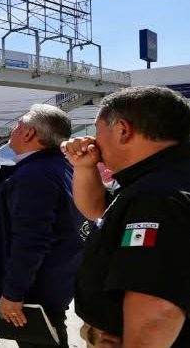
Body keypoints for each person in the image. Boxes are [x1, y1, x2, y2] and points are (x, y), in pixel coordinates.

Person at [61, 86, 190, 348]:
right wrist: (85, 167)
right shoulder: (158, 177)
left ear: (122, 129)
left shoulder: (157, 197)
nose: (94, 141)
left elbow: (156, 309)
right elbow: (97, 209)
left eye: (98, 131)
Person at [0, 104, 86, 348]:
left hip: (34, 293)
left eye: (17, 125)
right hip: (54, 282)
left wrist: (13, 293)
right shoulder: (60, 166)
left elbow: (31, 240)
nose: (13, 131)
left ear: (28, 133)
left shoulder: (33, 176)